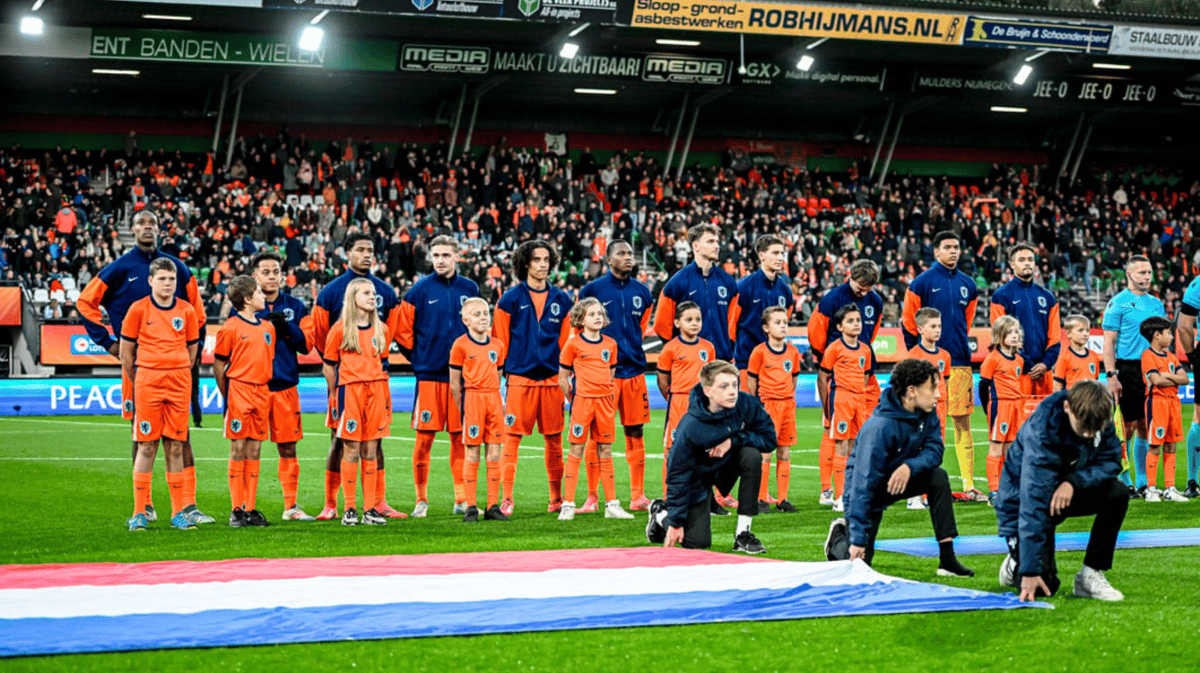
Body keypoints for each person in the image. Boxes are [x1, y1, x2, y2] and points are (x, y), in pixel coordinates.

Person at [78, 209, 213, 526]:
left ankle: (188, 505)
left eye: (152, 223)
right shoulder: (119, 268)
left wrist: (190, 363)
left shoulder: (177, 267)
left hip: (177, 366)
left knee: (181, 437)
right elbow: (85, 303)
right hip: (139, 364)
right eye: (141, 223)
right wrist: (108, 342)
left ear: (159, 229)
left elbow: (199, 314)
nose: (147, 227)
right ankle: (146, 506)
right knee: (142, 437)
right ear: (132, 229)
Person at [822, 359, 974, 578]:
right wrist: (857, 539)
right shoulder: (879, 428)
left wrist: (909, 466)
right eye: (932, 388)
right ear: (911, 391)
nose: (939, 394)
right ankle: (839, 536)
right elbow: (860, 485)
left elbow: (935, 450)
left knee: (937, 477)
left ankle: (947, 560)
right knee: (857, 565)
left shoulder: (927, 413)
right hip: (868, 490)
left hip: (899, 479)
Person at [995, 380, 1128, 602]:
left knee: (1117, 493)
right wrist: (1029, 571)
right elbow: (1032, 503)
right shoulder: (1042, 432)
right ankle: (1015, 561)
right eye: (1082, 426)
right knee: (1042, 586)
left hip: (1065, 491)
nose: (1088, 434)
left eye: (1093, 429)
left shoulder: (1098, 414)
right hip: (1021, 504)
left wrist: (1073, 482)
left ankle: (1090, 574)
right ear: (1067, 408)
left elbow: (1112, 460)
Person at [307, 232, 404, 520]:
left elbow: (388, 338)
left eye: (370, 249)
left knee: (375, 443)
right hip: (346, 384)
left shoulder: (385, 292)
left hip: (374, 383)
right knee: (340, 441)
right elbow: (324, 337)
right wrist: (337, 381)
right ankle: (333, 503)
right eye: (360, 249)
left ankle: (376, 502)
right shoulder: (331, 291)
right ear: (346, 252)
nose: (367, 254)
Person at [647, 361, 776, 554]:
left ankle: (743, 534)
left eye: (735, 384)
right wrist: (674, 521)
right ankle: (660, 515)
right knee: (696, 543)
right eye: (724, 386)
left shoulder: (745, 403)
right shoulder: (690, 425)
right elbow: (677, 474)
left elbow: (769, 438)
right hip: (696, 480)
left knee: (752, 455)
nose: (732, 391)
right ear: (708, 391)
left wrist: (732, 441)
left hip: (725, 467)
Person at [395, 234, 478, 517]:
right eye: (436, 255)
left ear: (457, 256)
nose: (440, 260)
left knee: (459, 438)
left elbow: (478, 326)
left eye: (446, 255)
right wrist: (420, 361)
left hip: (461, 378)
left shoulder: (470, 287)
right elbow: (403, 334)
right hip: (429, 376)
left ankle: (460, 498)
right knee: (425, 439)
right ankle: (421, 499)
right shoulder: (418, 290)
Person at [119, 258, 200, 532]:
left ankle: (178, 513)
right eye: (162, 279)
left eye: (172, 279)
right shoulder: (137, 309)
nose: (168, 284)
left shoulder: (186, 310)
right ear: (151, 281)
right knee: (147, 446)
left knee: (176, 446)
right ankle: (139, 512)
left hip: (178, 383)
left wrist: (177, 370)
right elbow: (126, 353)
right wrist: (144, 376)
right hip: (148, 383)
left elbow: (192, 349)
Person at [902, 231, 983, 501]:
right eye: (947, 247)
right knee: (924, 427)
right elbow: (908, 322)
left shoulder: (968, 284)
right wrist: (917, 359)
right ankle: (918, 489)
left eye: (956, 247)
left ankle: (969, 485)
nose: (953, 251)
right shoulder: (921, 282)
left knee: (962, 423)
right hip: (926, 367)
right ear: (936, 251)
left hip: (958, 361)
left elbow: (966, 321)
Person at [494, 239, 573, 514]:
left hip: (552, 380)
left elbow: (565, 344)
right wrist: (501, 373)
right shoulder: (510, 299)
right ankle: (506, 498)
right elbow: (500, 341)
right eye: (537, 260)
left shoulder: (563, 300)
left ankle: (556, 499)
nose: (542, 265)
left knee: (554, 440)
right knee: (511, 438)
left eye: (546, 260)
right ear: (526, 263)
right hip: (520, 380)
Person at [578, 241, 654, 510]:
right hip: (601, 375)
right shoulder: (592, 290)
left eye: (630, 253)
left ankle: (637, 496)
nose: (628, 258)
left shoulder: (643, 292)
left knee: (635, 432)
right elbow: (579, 329)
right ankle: (592, 497)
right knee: (597, 435)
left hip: (633, 371)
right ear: (608, 259)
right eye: (621, 254)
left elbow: (641, 327)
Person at [807, 259, 883, 506]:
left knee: (861, 433)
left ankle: (855, 486)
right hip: (838, 372)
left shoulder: (875, 301)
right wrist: (830, 356)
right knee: (833, 432)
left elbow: (872, 334)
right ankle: (828, 489)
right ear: (850, 277)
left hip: (863, 371)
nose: (863, 292)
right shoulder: (831, 299)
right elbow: (816, 332)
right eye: (860, 287)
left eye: (868, 288)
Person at [247, 251, 315, 521]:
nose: (272, 277)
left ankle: (291, 508)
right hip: (254, 388)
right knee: (250, 448)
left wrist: (287, 327)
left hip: (285, 388)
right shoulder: (246, 306)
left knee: (288, 447)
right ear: (255, 276)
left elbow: (306, 344)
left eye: (276, 271)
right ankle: (246, 508)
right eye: (266, 272)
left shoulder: (296, 306)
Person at [322, 278, 395, 527]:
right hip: (350, 392)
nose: (372, 297)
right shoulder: (340, 329)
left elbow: (382, 361)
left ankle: (370, 509)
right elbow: (329, 365)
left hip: (376, 390)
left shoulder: (381, 329)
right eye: (366, 293)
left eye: (373, 293)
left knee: (371, 450)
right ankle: (350, 508)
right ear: (353, 298)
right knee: (351, 449)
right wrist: (335, 394)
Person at [731, 235, 794, 507]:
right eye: (775, 253)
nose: (780, 257)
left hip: (776, 368)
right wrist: (739, 355)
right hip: (748, 364)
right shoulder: (744, 287)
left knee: (773, 437)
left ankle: (773, 496)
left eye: (782, 253)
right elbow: (733, 322)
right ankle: (741, 491)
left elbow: (785, 317)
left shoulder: (785, 289)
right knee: (749, 428)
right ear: (761, 256)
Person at [557, 298, 634, 521]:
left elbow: (610, 374)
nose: (598, 317)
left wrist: (604, 394)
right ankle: (568, 504)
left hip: (605, 403)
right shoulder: (573, 344)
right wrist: (575, 398)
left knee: (606, 451)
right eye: (592, 314)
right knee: (576, 451)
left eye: (600, 313)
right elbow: (563, 378)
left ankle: (612, 504)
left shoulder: (610, 344)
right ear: (581, 319)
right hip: (582, 403)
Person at [1102, 255, 1166, 496]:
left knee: (1144, 425)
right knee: (1125, 427)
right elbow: (1109, 344)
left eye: (1149, 273)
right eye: (1141, 273)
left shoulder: (1157, 304)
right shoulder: (1117, 303)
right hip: (1127, 368)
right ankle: (1124, 477)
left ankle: (1142, 480)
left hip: (1152, 369)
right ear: (1129, 275)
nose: (1147, 277)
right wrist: (1111, 376)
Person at [213, 276, 275, 528]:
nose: (264, 295)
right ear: (247, 299)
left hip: (262, 392)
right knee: (238, 448)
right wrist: (228, 395)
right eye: (259, 292)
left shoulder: (268, 328)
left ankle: (250, 508)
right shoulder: (229, 328)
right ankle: (236, 509)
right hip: (239, 391)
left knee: (255, 449)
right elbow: (219, 365)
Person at [448, 298, 509, 522]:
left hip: (493, 398)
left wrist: (494, 396)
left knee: (494, 453)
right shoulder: (460, 345)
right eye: (477, 314)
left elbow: (499, 373)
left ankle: (493, 505)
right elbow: (455, 383)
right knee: (472, 453)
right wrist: (463, 407)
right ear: (465, 320)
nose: (483, 317)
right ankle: (471, 506)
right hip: (472, 399)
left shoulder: (497, 345)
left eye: (486, 313)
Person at [652, 223, 738, 364]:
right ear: (695, 246)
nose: (716, 246)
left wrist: (727, 346)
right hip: (689, 362)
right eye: (710, 241)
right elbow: (661, 325)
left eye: (717, 241)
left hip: (721, 360)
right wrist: (680, 350)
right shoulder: (677, 282)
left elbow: (734, 322)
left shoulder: (728, 282)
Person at [818, 304, 875, 512]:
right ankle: (840, 497)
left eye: (858, 320)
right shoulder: (834, 348)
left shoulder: (865, 350)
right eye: (850, 321)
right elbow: (823, 376)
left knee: (856, 446)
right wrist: (827, 406)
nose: (856, 324)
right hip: (841, 399)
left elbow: (866, 376)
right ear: (840, 326)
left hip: (859, 400)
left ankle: (853, 492)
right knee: (841, 446)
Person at [745, 306, 801, 513]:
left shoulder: (793, 352)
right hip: (768, 405)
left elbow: (793, 377)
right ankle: (761, 499)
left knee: (785, 451)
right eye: (777, 323)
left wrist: (786, 395)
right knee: (765, 453)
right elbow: (752, 380)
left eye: (785, 322)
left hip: (787, 404)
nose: (783, 326)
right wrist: (757, 405)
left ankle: (783, 499)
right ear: (766, 328)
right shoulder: (759, 351)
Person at [655, 301, 715, 495]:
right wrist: (673, 397)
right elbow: (663, 380)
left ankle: (704, 498)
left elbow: (712, 378)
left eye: (698, 319)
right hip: (679, 402)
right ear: (677, 323)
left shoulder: (708, 347)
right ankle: (669, 496)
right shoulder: (670, 348)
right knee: (672, 450)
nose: (694, 323)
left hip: (702, 406)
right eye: (688, 319)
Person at [990, 243, 1060, 397]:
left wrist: (1046, 364)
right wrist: (1027, 363)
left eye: (1030, 259)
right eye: (1021, 260)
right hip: (1016, 372)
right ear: (1012, 264)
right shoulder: (1001, 296)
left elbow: (1055, 337)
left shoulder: (1048, 297)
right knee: (1017, 420)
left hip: (1044, 374)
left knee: (1044, 420)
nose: (1027, 263)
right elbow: (1001, 335)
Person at [904, 307, 951, 510]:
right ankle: (913, 495)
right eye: (933, 326)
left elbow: (945, 382)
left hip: (939, 409)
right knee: (917, 449)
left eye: (939, 326)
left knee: (934, 450)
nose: (937, 330)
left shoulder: (945, 356)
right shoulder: (913, 355)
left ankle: (926, 494)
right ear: (921, 329)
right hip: (920, 411)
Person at [1138, 316, 1189, 502]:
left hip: (1173, 403)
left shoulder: (1172, 357)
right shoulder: (1147, 355)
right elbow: (1155, 380)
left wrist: (1166, 375)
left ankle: (1170, 487)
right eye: (1169, 333)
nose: (1172, 337)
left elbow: (1185, 379)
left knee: (1171, 443)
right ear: (1157, 335)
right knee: (1155, 444)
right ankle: (1151, 488)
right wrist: (1172, 377)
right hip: (1157, 402)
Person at [979, 316, 1028, 505]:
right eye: (1009, 332)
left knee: (1012, 450)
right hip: (1001, 405)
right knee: (996, 447)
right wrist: (988, 410)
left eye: (1016, 332)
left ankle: (1010, 487)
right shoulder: (992, 359)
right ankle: (993, 490)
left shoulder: (1019, 360)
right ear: (1000, 335)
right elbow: (983, 387)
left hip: (1017, 405)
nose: (1014, 336)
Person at [1173, 274, 1200, 497]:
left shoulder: (1198, 284)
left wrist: (1192, 356)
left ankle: (1193, 481)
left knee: (1199, 416)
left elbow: (1183, 326)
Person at [1053, 315, 1101, 393]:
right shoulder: (1064, 357)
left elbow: (1096, 382)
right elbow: (1057, 385)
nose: (1085, 334)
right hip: (1073, 401)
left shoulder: (1094, 356)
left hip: (1091, 401)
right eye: (1080, 330)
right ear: (1068, 333)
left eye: (1087, 330)